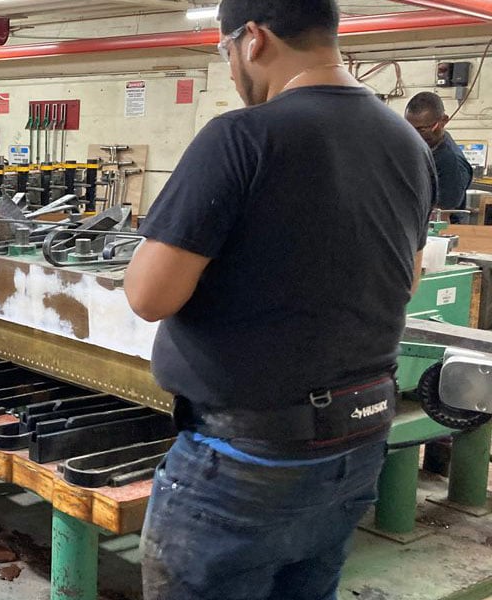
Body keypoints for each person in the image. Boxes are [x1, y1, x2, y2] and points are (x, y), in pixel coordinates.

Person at [123, 1, 434, 598]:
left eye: (224, 51)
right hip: (357, 445)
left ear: (254, 39)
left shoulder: (241, 136)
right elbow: (406, 279)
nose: (231, 66)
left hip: (244, 462)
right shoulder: (406, 142)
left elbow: (148, 294)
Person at [406, 91, 474, 223]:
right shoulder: (424, 147)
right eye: (409, 128)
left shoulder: (450, 162)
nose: (414, 135)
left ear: (443, 121)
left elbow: (441, 217)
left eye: (422, 129)